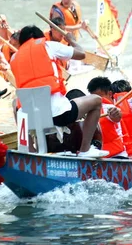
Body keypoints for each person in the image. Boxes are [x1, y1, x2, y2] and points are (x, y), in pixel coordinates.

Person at [10, 25, 107, 158]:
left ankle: (32, 153)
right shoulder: (48, 46)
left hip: (30, 119)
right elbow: (81, 54)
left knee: (15, 102)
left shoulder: (14, 58)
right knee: (96, 100)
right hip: (58, 115)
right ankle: (85, 150)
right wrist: (72, 40)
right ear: (41, 37)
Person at [87, 77, 128, 158]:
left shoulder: (108, 108)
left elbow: (117, 116)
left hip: (117, 156)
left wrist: (116, 114)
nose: (98, 100)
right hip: (101, 157)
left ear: (110, 94)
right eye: (94, 97)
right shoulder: (89, 110)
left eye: (100, 97)